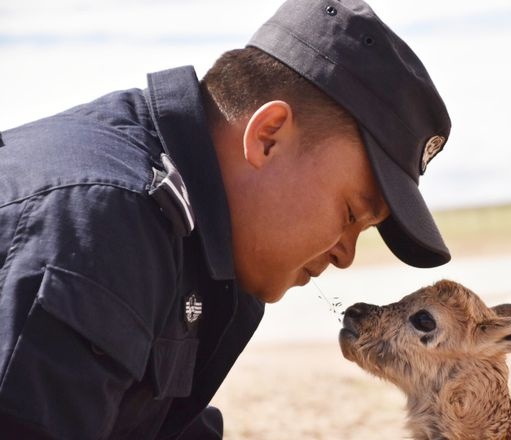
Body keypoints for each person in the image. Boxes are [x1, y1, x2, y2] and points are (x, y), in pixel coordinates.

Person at [0, 0, 451, 438]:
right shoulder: (99, 224)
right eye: (351, 213)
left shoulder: (206, 247)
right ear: (268, 136)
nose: (345, 255)